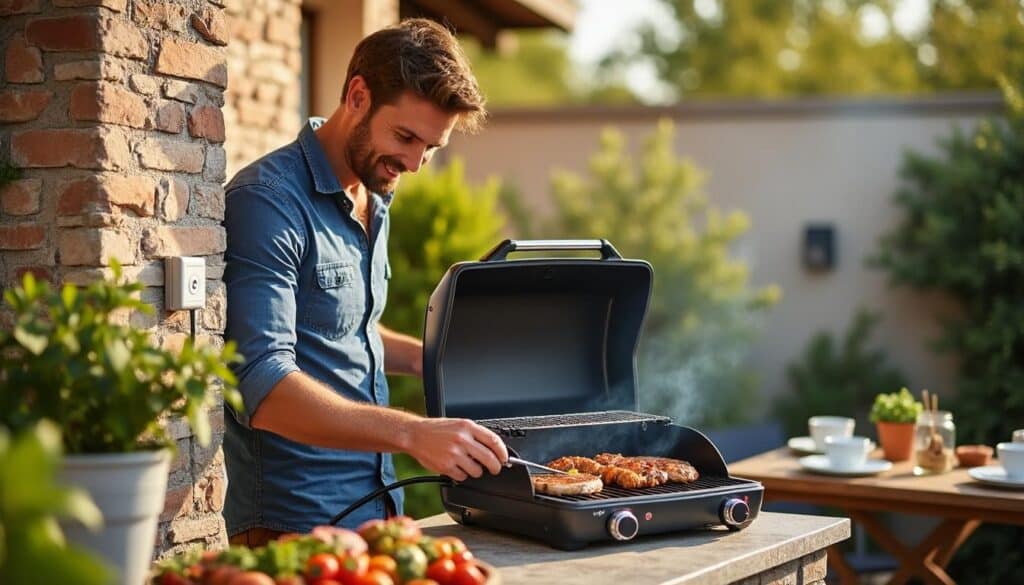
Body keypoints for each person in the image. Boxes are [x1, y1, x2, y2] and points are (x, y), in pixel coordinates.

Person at [221, 18, 509, 546]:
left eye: (431, 148)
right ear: (357, 95)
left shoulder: (374, 195)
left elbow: (345, 333)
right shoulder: (268, 202)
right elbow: (260, 386)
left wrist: (440, 358)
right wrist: (412, 432)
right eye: (405, 137)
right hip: (294, 528)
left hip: (376, 513)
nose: (416, 163)